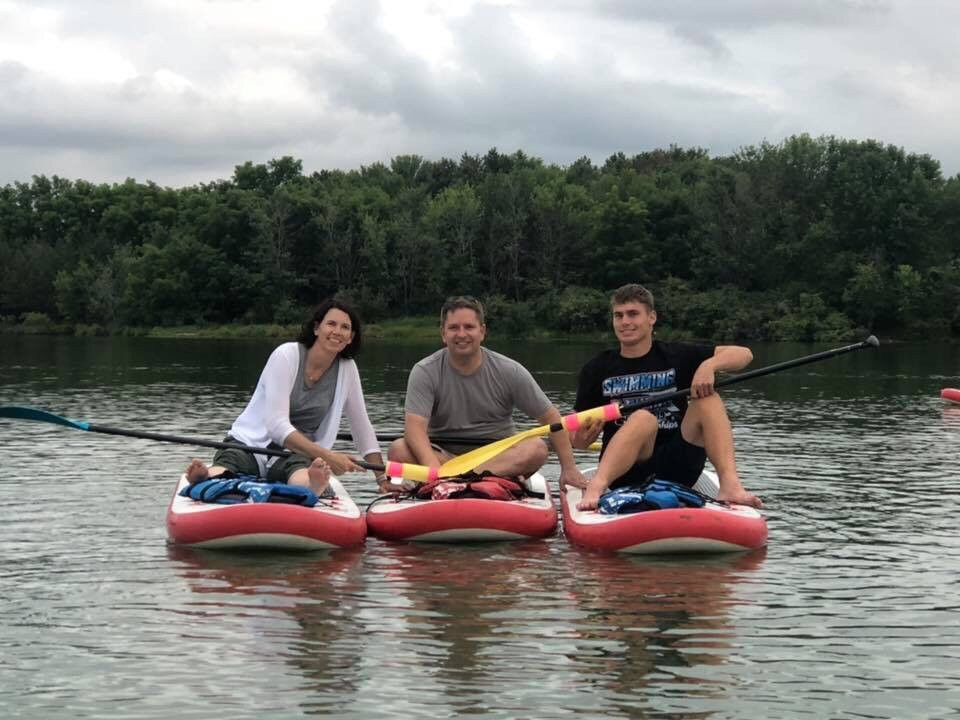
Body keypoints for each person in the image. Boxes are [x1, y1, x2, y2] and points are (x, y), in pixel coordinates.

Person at [570, 283, 762, 510]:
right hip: (626, 470)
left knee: (708, 399)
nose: (625, 322)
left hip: (678, 466)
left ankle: (730, 486)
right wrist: (580, 440)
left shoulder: (677, 355)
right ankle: (597, 487)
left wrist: (709, 366)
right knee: (644, 418)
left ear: (651, 318)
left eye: (633, 314)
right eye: (618, 316)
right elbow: (576, 436)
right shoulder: (596, 368)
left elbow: (744, 354)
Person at [185, 298, 389, 496]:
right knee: (233, 460)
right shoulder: (286, 355)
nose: (337, 331)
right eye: (331, 324)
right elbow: (276, 426)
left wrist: (381, 479)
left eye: (345, 327)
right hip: (251, 444)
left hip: (298, 453)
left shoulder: (347, 368)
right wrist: (327, 456)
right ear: (317, 328)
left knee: (299, 468)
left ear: (351, 337)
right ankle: (207, 477)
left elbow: (362, 427)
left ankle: (311, 485)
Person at [387, 296, 585, 489]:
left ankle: (458, 480)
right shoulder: (424, 371)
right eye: (454, 328)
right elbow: (415, 430)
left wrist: (569, 469)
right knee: (398, 449)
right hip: (443, 455)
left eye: (469, 327)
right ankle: (471, 480)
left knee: (537, 448)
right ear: (443, 334)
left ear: (482, 331)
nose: (462, 334)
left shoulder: (509, 370)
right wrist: (432, 467)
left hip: (497, 455)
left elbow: (552, 418)